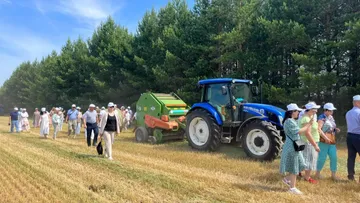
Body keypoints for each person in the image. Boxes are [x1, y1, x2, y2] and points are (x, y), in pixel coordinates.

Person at [280, 103, 312, 195]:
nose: (298, 112)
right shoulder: (289, 121)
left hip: (294, 145)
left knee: (300, 164)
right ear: (292, 112)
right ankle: (292, 188)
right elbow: (298, 131)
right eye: (297, 111)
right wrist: (308, 125)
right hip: (292, 146)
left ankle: (287, 180)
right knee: (294, 167)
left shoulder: (291, 120)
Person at [316, 103, 340, 180]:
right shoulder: (321, 118)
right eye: (330, 110)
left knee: (334, 157)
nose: (332, 112)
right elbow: (319, 129)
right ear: (326, 110)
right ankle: (317, 173)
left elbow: (332, 127)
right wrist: (325, 138)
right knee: (322, 157)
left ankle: (333, 175)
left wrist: (335, 129)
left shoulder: (331, 117)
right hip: (323, 141)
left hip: (331, 140)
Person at [298, 101, 321, 184]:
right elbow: (307, 133)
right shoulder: (306, 119)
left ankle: (300, 173)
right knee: (309, 160)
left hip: (308, 142)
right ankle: (307, 177)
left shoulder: (308, 118)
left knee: (306, 159)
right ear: (310, 110)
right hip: (308, 142)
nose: (316, 111)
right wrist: (315, 145)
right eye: (315, 110)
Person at [345, 95, 360, 181]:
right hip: (358, 136)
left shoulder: (348, 113)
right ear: (358, 102)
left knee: (351, 157)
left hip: (350, 136)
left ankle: (351, 175)